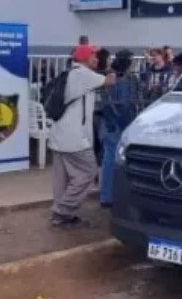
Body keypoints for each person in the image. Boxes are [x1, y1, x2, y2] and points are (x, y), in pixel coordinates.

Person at [48, 44, 112, 227]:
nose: (97, 59)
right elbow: (110, 81)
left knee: (61, 179)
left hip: (59, 135)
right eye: (94, 55)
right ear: (84, 58)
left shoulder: (70, 74)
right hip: (74, 138)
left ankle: (61, 217)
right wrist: (111, 68)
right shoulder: (84, 74)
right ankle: (62, 210)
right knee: (89, 171)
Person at [98, 50, 139, 207]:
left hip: (108, 124)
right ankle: (111, 195)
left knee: (108, 160)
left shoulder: (108, 77)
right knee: (114, 161)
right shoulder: (124, 81)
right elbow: (124, 106)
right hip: (117, 125)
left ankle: (106, 195)